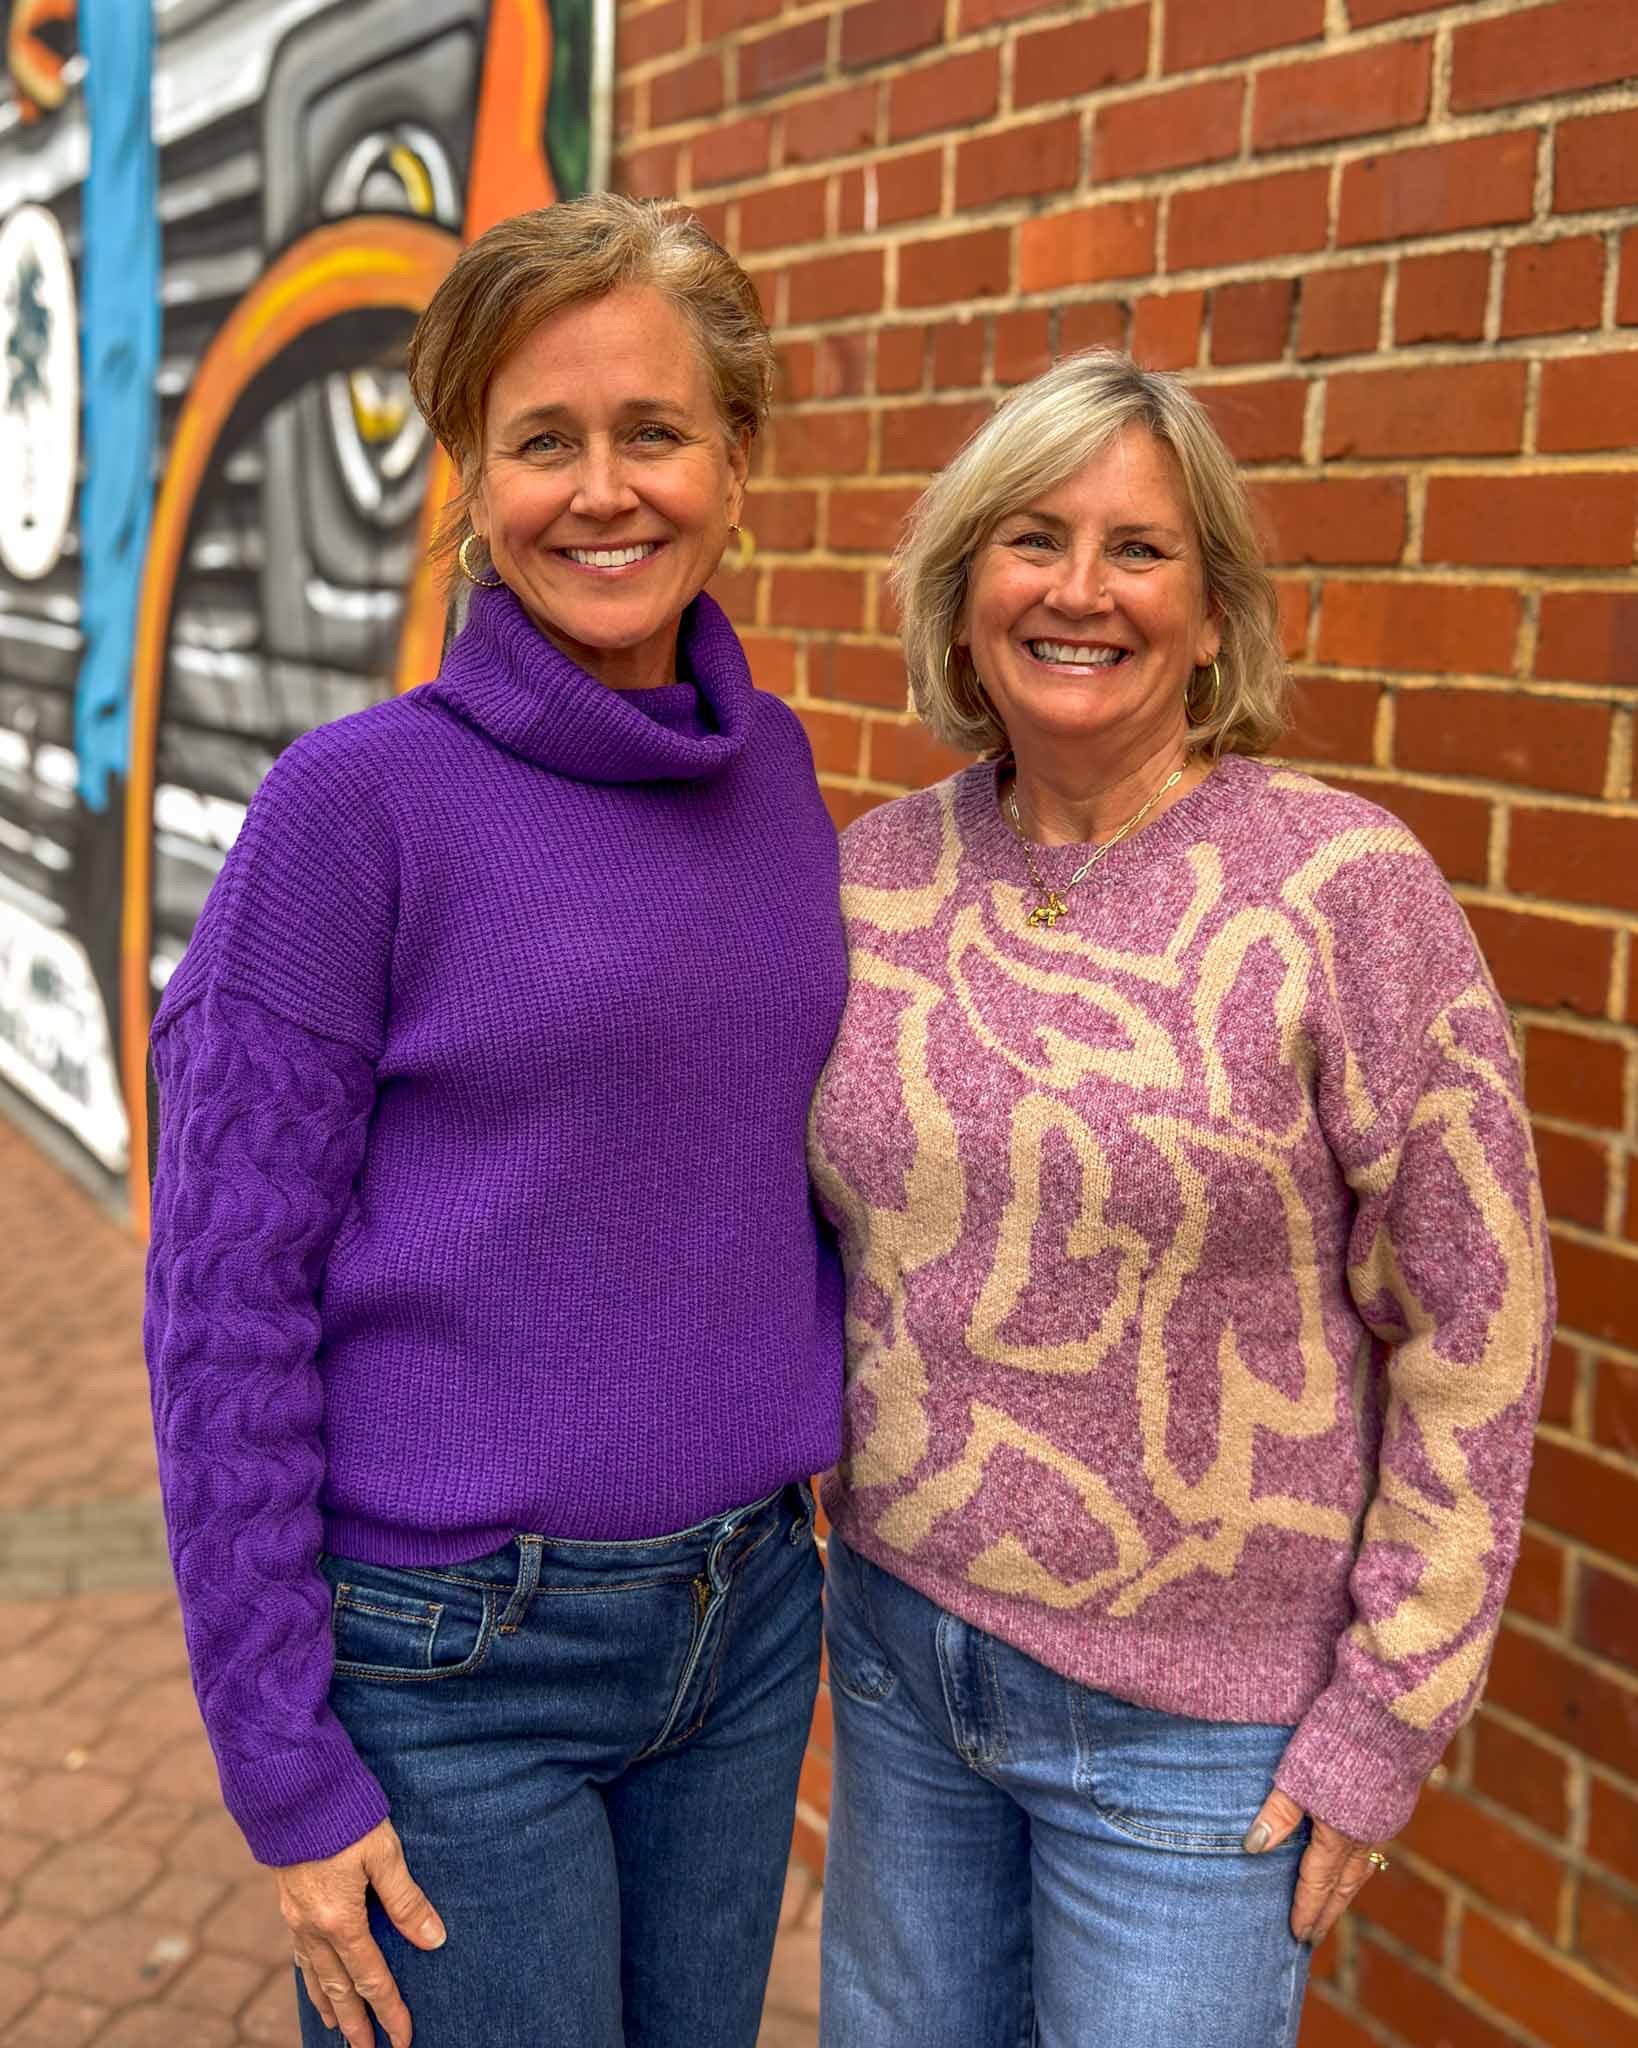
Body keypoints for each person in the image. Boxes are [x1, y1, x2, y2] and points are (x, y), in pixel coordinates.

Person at [143, 195, 845, 2048]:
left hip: (746, 1625)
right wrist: (284, 1767)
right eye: (542, 440)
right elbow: (223, 1307)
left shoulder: (775, 777)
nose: (602, 491)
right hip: (452, 1666)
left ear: (734, 461)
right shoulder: (351, 813)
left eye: (653, 431)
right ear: (470, 474)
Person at [806, 349, 1553, 2048]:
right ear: (963, 592)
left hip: (1201, 1735)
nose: (1078, 591)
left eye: (1137, 549)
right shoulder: (869, 881)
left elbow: (1474, 1321)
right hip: (905, 1660)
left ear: (1212, 616)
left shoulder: (1343, 894)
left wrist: (1387, 1715)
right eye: (1030, 539)